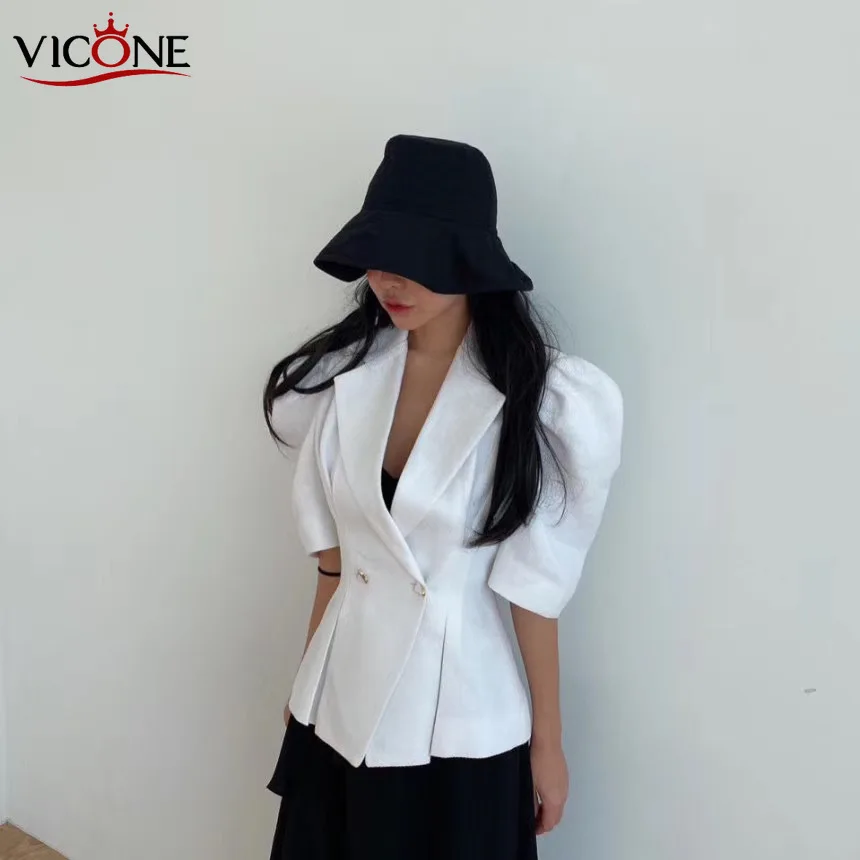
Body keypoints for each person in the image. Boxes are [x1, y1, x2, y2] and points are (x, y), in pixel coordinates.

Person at [262, 134, 623, 860]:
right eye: (377, 256)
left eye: (417, 261)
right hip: (338, 705)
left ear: (470, 264)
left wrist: (548, 745)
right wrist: (306, 682)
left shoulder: (542, 400)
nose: (388, 280)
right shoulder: (343, 379)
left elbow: (534, 590)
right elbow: (335, 564)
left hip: (458, 723)